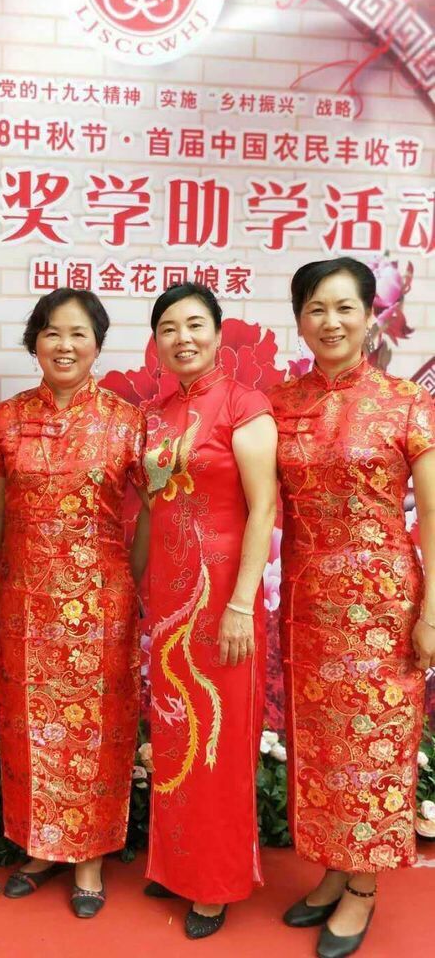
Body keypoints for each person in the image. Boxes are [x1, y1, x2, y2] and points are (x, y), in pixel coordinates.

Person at [270, 257, 435, 958]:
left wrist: (432, 611)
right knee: (323, 746)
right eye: (316, 309)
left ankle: (363, 888)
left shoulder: (406, 402)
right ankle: (337, 868)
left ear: (371, 317)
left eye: (344, 308)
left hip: (381, 605)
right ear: (300, 320)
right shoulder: (281, 403)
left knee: (372, 745)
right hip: (307, 602)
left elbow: (432, 515)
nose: (330, 322)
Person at [0, 287, 145, 918]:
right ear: (34, 342)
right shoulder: (7, 420)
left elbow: (155, 511)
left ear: (98, 344)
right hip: (23, 600)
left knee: (95, 729)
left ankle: (90, 858)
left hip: (101, 604)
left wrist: (133, 581)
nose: (64, 345)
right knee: (30, 728)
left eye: (78, 334)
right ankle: (40, 848)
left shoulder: (127, 422)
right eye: (51, 332)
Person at [137, 283, 277, 940]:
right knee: (176, 733)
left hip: (224, 597)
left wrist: (242, 603)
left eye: (195, 324)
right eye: (169, 327)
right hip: (170, 599)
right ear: (156, 342)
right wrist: (136, 582)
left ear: (219, 333)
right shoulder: (158, 413)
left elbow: (263, 507)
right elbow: (152, 508)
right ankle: (177, 864)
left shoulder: (246, 406)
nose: (182, 338)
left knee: (217, 737)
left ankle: (215, 884)